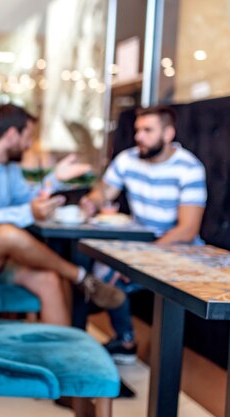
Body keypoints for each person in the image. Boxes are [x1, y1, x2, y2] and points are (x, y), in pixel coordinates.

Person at [0, 104, 125, 325]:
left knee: (50, 280)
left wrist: (55, 179)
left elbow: (27, 198)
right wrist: (28, 212)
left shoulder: (9, 166)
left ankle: (65, 354)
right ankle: (80, 276)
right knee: (7, 234)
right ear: (12, 134)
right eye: (28, 136)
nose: (29, 144)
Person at [81, 105, 207, 363]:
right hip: (139, 241)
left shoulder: (189, 167)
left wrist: (139, 259)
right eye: (138, 130)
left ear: (168, 133)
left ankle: (138, 348)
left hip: (180, 248)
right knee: (100, 271)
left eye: (148, 130)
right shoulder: (128, 159)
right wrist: (91, 202)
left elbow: (188, 228)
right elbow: (104, 191)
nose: (139, 136)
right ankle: (125, 340)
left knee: (117, 273)